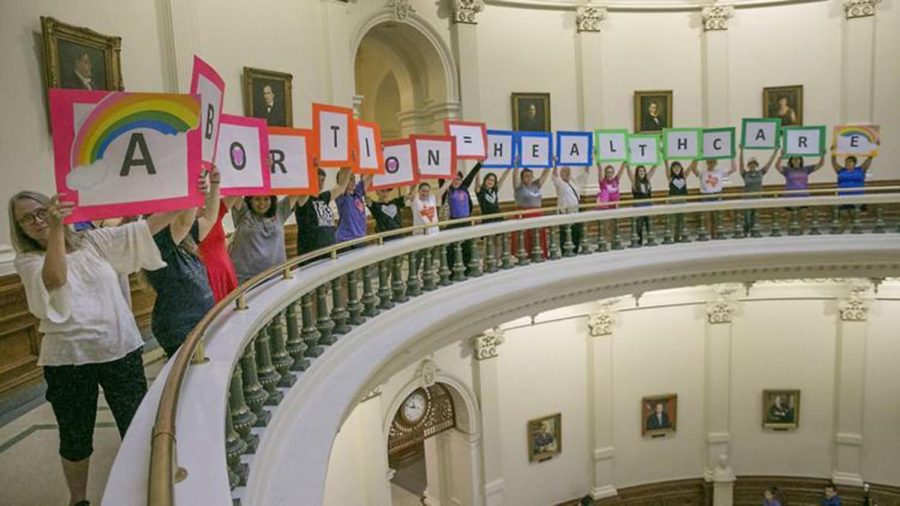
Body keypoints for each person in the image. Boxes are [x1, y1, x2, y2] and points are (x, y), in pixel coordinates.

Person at [9, 190, 185, 506]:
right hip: (68, 360)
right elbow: (55, 278)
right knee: (76, 436)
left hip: (120, 349)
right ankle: (78, 499)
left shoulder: (93, 241)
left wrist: (185, 194)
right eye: (27, 218)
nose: (37, 220)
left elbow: (144, 230)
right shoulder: (27, 260)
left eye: (41, 211)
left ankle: (146, 491)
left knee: (136, 426)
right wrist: (58, 232)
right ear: (19, 228)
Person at [144, 173, 220, 357]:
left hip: (200, 322)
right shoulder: (155, 240)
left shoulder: (184, 239)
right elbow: (184, 222)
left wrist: (215, 184)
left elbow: (209, 218)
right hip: (180, 328)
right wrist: (193, 193)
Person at [227, 192, 299, 283]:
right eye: (257, 199)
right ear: (250, 201)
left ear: (271, 200)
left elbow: (299, 190)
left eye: (266, 199)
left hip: (276, 276)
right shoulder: (243, 212)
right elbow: (234, 190)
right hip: (246, 280)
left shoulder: (279, 212)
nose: (262, 203)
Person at [198, 169, 239, 301]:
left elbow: (240, 190)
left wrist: (260, 168)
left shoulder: (216, 212)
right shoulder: (184, 223)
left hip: (225, 272)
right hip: (205, 277)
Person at [294, 165, 353, 257]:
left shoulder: (323, 197)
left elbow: (341, 186)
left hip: (330, 251)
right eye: (317, 179)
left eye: (322, 180)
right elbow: (302, 197)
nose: (320, 183)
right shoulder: (303, 200)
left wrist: (348, 165)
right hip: (311, 255)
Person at [738, 146, 778, 234]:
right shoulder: (745, 174)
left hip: (757, 199)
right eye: (751, 164)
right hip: (747, 200)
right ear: (748, 165)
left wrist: (775, 151)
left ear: (756, 165)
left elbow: (769, 163)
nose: (752, 165)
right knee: (747, 219)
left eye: (754, 163)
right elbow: (740, 163)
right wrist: (741, 150)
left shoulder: (760, 173)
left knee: (755, 218)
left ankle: (754, 233)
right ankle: (746, 233)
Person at [513, 165, 551, 256]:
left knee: (538, 239)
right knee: (525, 240)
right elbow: (514, 176)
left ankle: (539, 255)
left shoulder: (536, 185)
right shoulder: (519, 187)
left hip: (537, 215)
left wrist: (550, 162)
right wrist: (516, 165)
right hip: (524, 216)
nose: (529, 178)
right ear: (522, 178)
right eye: (526, 176)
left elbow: (545, 174)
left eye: (530, 176)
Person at [552, 163, 590, 253]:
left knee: (576, 234)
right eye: (565, 171)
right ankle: (565, 251)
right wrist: (555, 163)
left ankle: (575, 250)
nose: (567, 173)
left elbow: (586, 174)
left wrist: (588, 161)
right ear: (561, 173)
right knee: (564, 234)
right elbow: (554, 175)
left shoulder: (575, 182)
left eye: (568, 171)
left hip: (576, 212)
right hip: (564, 213)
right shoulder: (560, 183)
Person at [334, 172, 373, 245]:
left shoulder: (357, 193)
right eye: (351, 179)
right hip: (345, 240)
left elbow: (370, 174)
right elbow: (342, 178)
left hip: (360, 238)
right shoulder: (341, 196)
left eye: (354, 179)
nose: (354, 181)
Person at [626, 163, 657, 245]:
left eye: (643, 170)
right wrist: (627, 164)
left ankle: (650, 240)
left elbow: (653, 169)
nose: (642, 172)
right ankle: (639, 242)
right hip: (638, 206)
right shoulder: (634, 182)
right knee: (639, 225)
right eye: (640, 171)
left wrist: (657, 160)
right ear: (637, 172)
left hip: (648, 205)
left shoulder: (647, 180)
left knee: (649, 224)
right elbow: (629, 173)